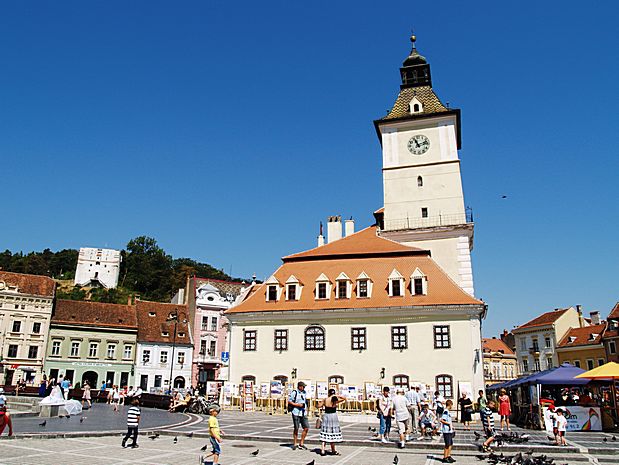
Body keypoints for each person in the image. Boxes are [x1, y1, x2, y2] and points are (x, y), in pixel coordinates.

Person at [318, 388, 345, 456]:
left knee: (325, 432)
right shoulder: (335, 400)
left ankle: (323, 450)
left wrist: (322, 402)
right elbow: (344, 398)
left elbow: (318, 406)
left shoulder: (325, 399)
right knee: (332, 432)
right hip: (333, 416)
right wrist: (337, 395)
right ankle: (333, 450)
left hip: (326, 416)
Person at [288, 381, 309, 450]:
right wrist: (297, 405)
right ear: (299, 386)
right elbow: (289, 401)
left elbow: (305, 401)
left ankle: (301, 443)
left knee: (306, 427)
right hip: (296, 412)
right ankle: (295, 443)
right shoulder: (295, 392)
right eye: (303, 386)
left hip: (303, 412)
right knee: (296, 428)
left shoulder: (304, 392)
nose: (304, 388)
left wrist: (306, 408)